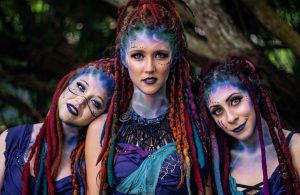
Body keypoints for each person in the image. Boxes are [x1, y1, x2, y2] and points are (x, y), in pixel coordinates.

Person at [85, 0, 208, 194]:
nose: (149, 68)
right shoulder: (103, 128)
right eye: (138, 56)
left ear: (173, 57)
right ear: (123, 58)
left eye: (160, 55)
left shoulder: (193, 126)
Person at [0, 58, 115, 195]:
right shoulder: (12, 137)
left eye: (95, 103)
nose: (80, 101)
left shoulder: (94, 165)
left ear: (102, 117)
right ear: (67, 83)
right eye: (80, 87)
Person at [196, 56, 300, 194]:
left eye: (235, 101)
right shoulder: (219, 167)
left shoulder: (295, 147)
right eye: (218, 111)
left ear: (254, 94)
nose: (231, 118)